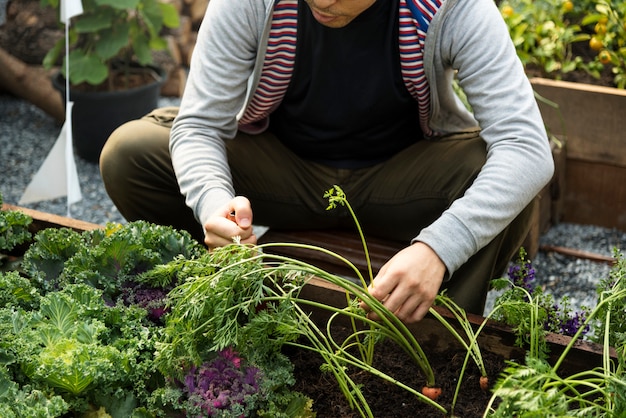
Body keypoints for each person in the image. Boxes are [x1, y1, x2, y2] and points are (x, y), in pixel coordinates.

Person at [100, 0, 554, 322]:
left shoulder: (453, 8)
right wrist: (214, 203)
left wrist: (438, 249)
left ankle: (439, 337)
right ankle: (212, 305)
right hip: (283, 175)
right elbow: (199, 126)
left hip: (400, 184)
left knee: (507, 177)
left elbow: (527, 148)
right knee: (130, 152)